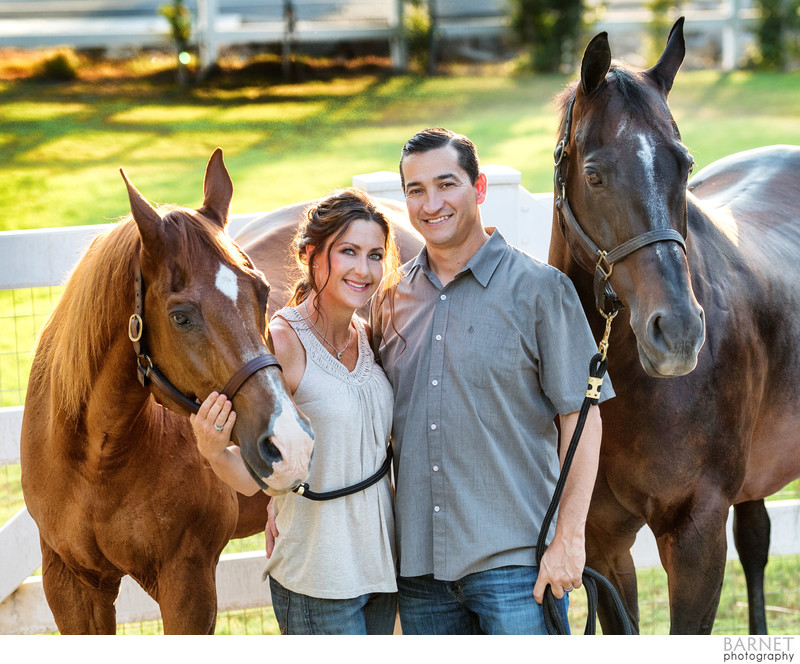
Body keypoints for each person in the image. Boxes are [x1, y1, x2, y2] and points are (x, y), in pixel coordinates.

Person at [370, 127, 612, 635]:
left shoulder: (542, 291)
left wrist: (570, 535)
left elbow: (583, 421)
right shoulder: (390, 301)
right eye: (415, 190)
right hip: (420, 573)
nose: (431, 203)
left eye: (446, 184)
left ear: (478, 189)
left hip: (517, 567)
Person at [191, 188, 401, 635]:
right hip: (318, 575)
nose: (364, 270)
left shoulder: (370, 335)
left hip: (381, 570)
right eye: (348, 252)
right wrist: (214, 452)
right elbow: (256, 477)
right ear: (311, 254)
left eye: (375, 255)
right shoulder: (283, 343)